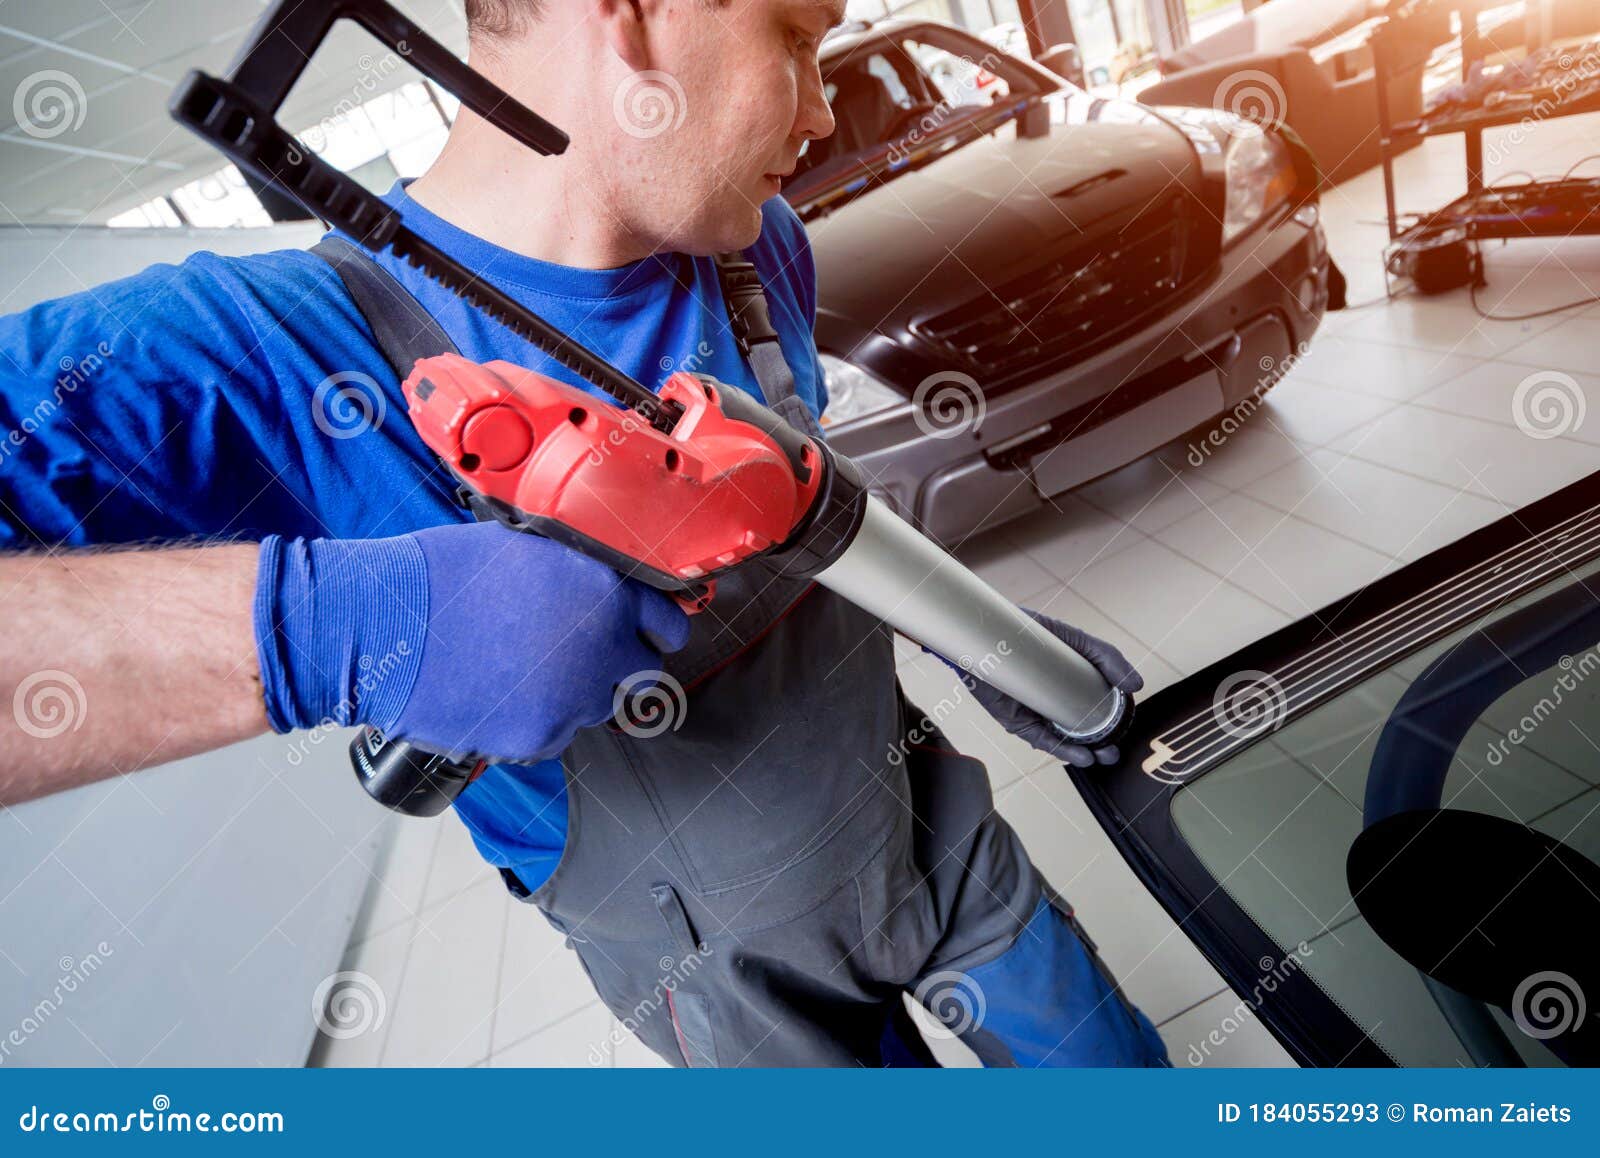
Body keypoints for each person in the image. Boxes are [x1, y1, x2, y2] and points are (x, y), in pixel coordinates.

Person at [0, 0, 1169, 1067]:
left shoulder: (752, 245)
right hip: (723, 982)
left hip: (925, 825)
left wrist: (989, 638)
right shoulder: (254, 357)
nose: (821, 110)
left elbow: (802, 510)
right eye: (799, 37)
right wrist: (332, 630)